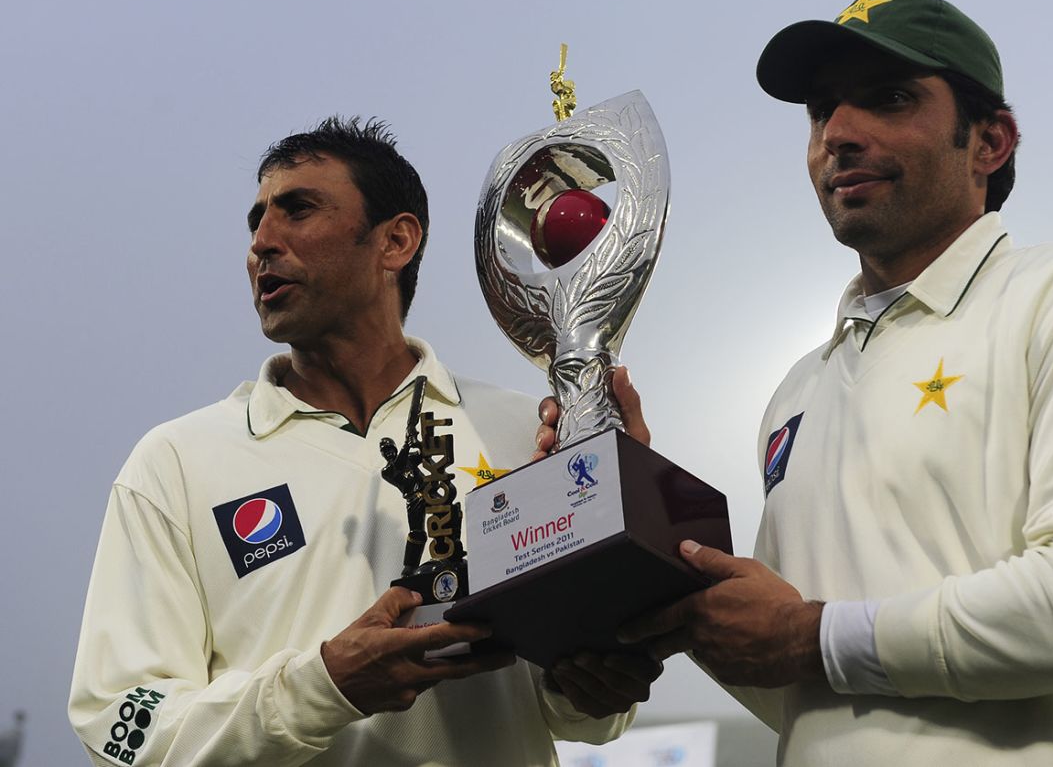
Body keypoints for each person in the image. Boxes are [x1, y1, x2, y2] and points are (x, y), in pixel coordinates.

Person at [540, 0, 1053, 766]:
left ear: (990, 141)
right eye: (822, 111)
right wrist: (637, 512)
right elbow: (796, 686)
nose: (840, 135)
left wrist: (813, 634)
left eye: (889, 99)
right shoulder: (799, 390)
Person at [69, 117, 660, 766]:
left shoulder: (527, 431)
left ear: (395, 241)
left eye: (297, 210)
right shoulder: (176, 462)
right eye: (256, 221)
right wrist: (324, 688)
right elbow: (118, 725)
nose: (262, 243)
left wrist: (594, 676)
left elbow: (584, 716)